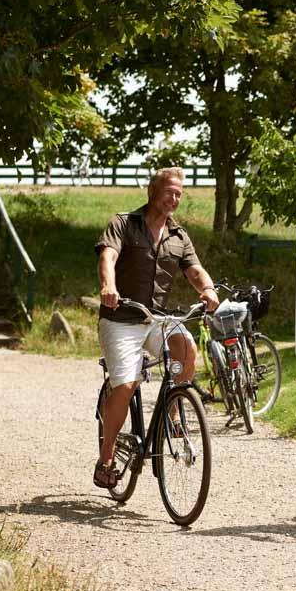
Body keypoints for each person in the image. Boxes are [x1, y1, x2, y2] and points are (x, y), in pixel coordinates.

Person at [92, 167, 220, 488]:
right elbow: (107, 257)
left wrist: (208, 290)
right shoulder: (124, 223)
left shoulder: (179, 236)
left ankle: (173, 414)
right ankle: (106, 459)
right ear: (153, 192)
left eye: (179, 194)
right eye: (169, 192)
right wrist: (109, 286)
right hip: (121, 317)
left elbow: (195, 271)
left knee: (187, 347)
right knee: (126, 384)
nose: (174, 199)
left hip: (157, 318)